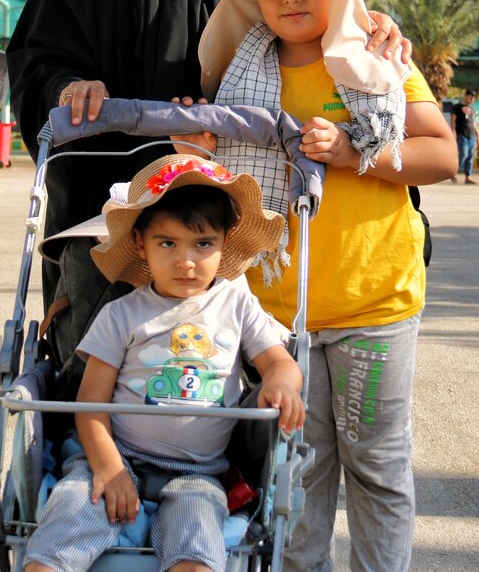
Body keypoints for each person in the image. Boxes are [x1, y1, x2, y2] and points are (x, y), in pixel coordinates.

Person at [5, 0, 410, 372]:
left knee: (215, 366)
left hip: (223, 188)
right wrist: (70, 84)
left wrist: (367, 20)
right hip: (107, 192)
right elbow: (37, 55)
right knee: (95, 359)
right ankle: (85, 456)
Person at [184, 0, 456, 571]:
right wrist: (194, 148)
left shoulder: (377, 63)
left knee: (378, 468)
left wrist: (351, 154)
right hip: (278, 319)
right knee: (296, 473)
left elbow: (441, 154)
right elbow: (219, 192)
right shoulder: (235, 77)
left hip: (374, 307)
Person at [23, 154, 304, 572]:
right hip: (118, 454)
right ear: (140, 243)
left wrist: (282, 382)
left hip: (200, 474)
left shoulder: (237, 304)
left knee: (196, 552)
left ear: (225, 241)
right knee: (63, 530)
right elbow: (90, 404)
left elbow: (280, 362)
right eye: (167, 243)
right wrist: (108, 466)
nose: (185, 261)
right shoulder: (122, 314)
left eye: (203, 243)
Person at [450, 89, 479, 184]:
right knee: (463, 154)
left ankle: (468, 177)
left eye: (473, 98)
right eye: (470, 97)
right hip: (461, 134)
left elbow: (473, 123)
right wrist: (453, 131)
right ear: (465, 96)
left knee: (470, 156)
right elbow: (453, 121)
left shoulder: (472, 110)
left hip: (471, 135)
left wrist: (478, 135)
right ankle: (453, 172)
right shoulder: (457, 107)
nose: (471, 100)